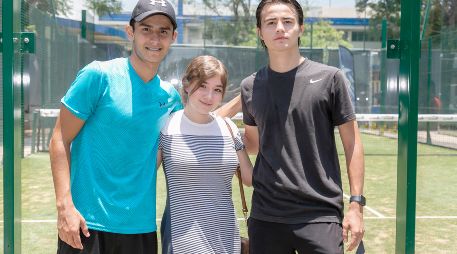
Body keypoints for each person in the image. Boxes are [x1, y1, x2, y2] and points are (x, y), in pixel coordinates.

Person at [49, 0, 191, 253]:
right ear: (130, 32)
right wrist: (65, 207)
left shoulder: (170, 97)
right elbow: (60, 138)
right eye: (146, 29)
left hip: (140, 229)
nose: (154, 39)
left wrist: (243, 100)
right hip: (85, 224)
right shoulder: (98, 76)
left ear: (173, 37)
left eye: (163, 31)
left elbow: (198, 125)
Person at [239, 0, 366, 253]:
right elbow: (253, 145)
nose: (280, 28)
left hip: (320, 214)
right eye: (271, 22)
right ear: (259, 32)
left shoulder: (330, 79)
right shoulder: (250, 86)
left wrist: (356, 205)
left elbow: (352, 144)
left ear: (301, 28)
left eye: (287, 21)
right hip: (266, 216)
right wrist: (222, 132)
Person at [157, 55, 253, 254]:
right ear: (187, 84)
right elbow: (143, 177)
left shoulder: (228, 128)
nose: (209, 96)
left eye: (217, 89)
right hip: (183, 242)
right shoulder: (167, 126)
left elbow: (250, 178)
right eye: (203, 86)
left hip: (226, 239)